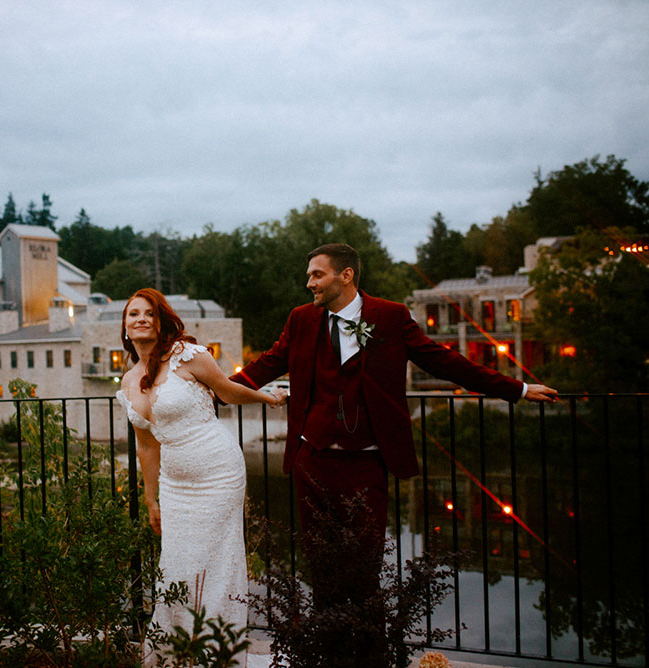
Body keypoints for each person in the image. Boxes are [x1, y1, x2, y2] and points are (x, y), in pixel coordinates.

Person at [230, 243, 558, 664]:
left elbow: (444, 362)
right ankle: (330, 657)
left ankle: (370, 657)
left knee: (364, 571)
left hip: (367, 461)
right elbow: (265, 365)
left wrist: (517, 388)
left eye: (317, 274)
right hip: (312, 462)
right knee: (323, 570)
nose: (308, 282)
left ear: (346, 275)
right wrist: (211, 389)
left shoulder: (389, 316)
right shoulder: (301, 319)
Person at [116, 288, 286, 666]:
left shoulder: (187, 356)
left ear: (161, 322)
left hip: (218, 473)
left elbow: (227, 391)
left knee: (215, 563)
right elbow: (146, 447)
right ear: (125, 328)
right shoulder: (128, 383)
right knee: (176, 565)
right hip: (175, 487)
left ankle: (217, 654)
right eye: (133, 315)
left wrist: (267, 398)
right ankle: (178, 654)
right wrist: (150, 498)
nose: (140, 319)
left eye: (149, 313)